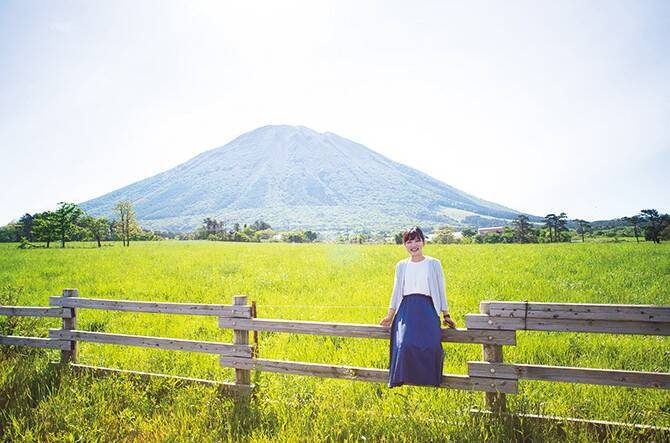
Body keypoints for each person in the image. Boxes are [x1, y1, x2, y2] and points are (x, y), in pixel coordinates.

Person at [379, 226, 456, 387]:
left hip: (427, 309)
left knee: (431, 346)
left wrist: (446, 315)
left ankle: (429, 380)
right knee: (404, 344)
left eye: (417, 240)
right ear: (404, 245)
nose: (413, 245)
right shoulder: (401, 265)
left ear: (423, 242)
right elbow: (396, 292)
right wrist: (389, 315)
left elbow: (441, 290)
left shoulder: (434, 263)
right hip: (406, 310)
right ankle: (403, 378)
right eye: (409, 241)